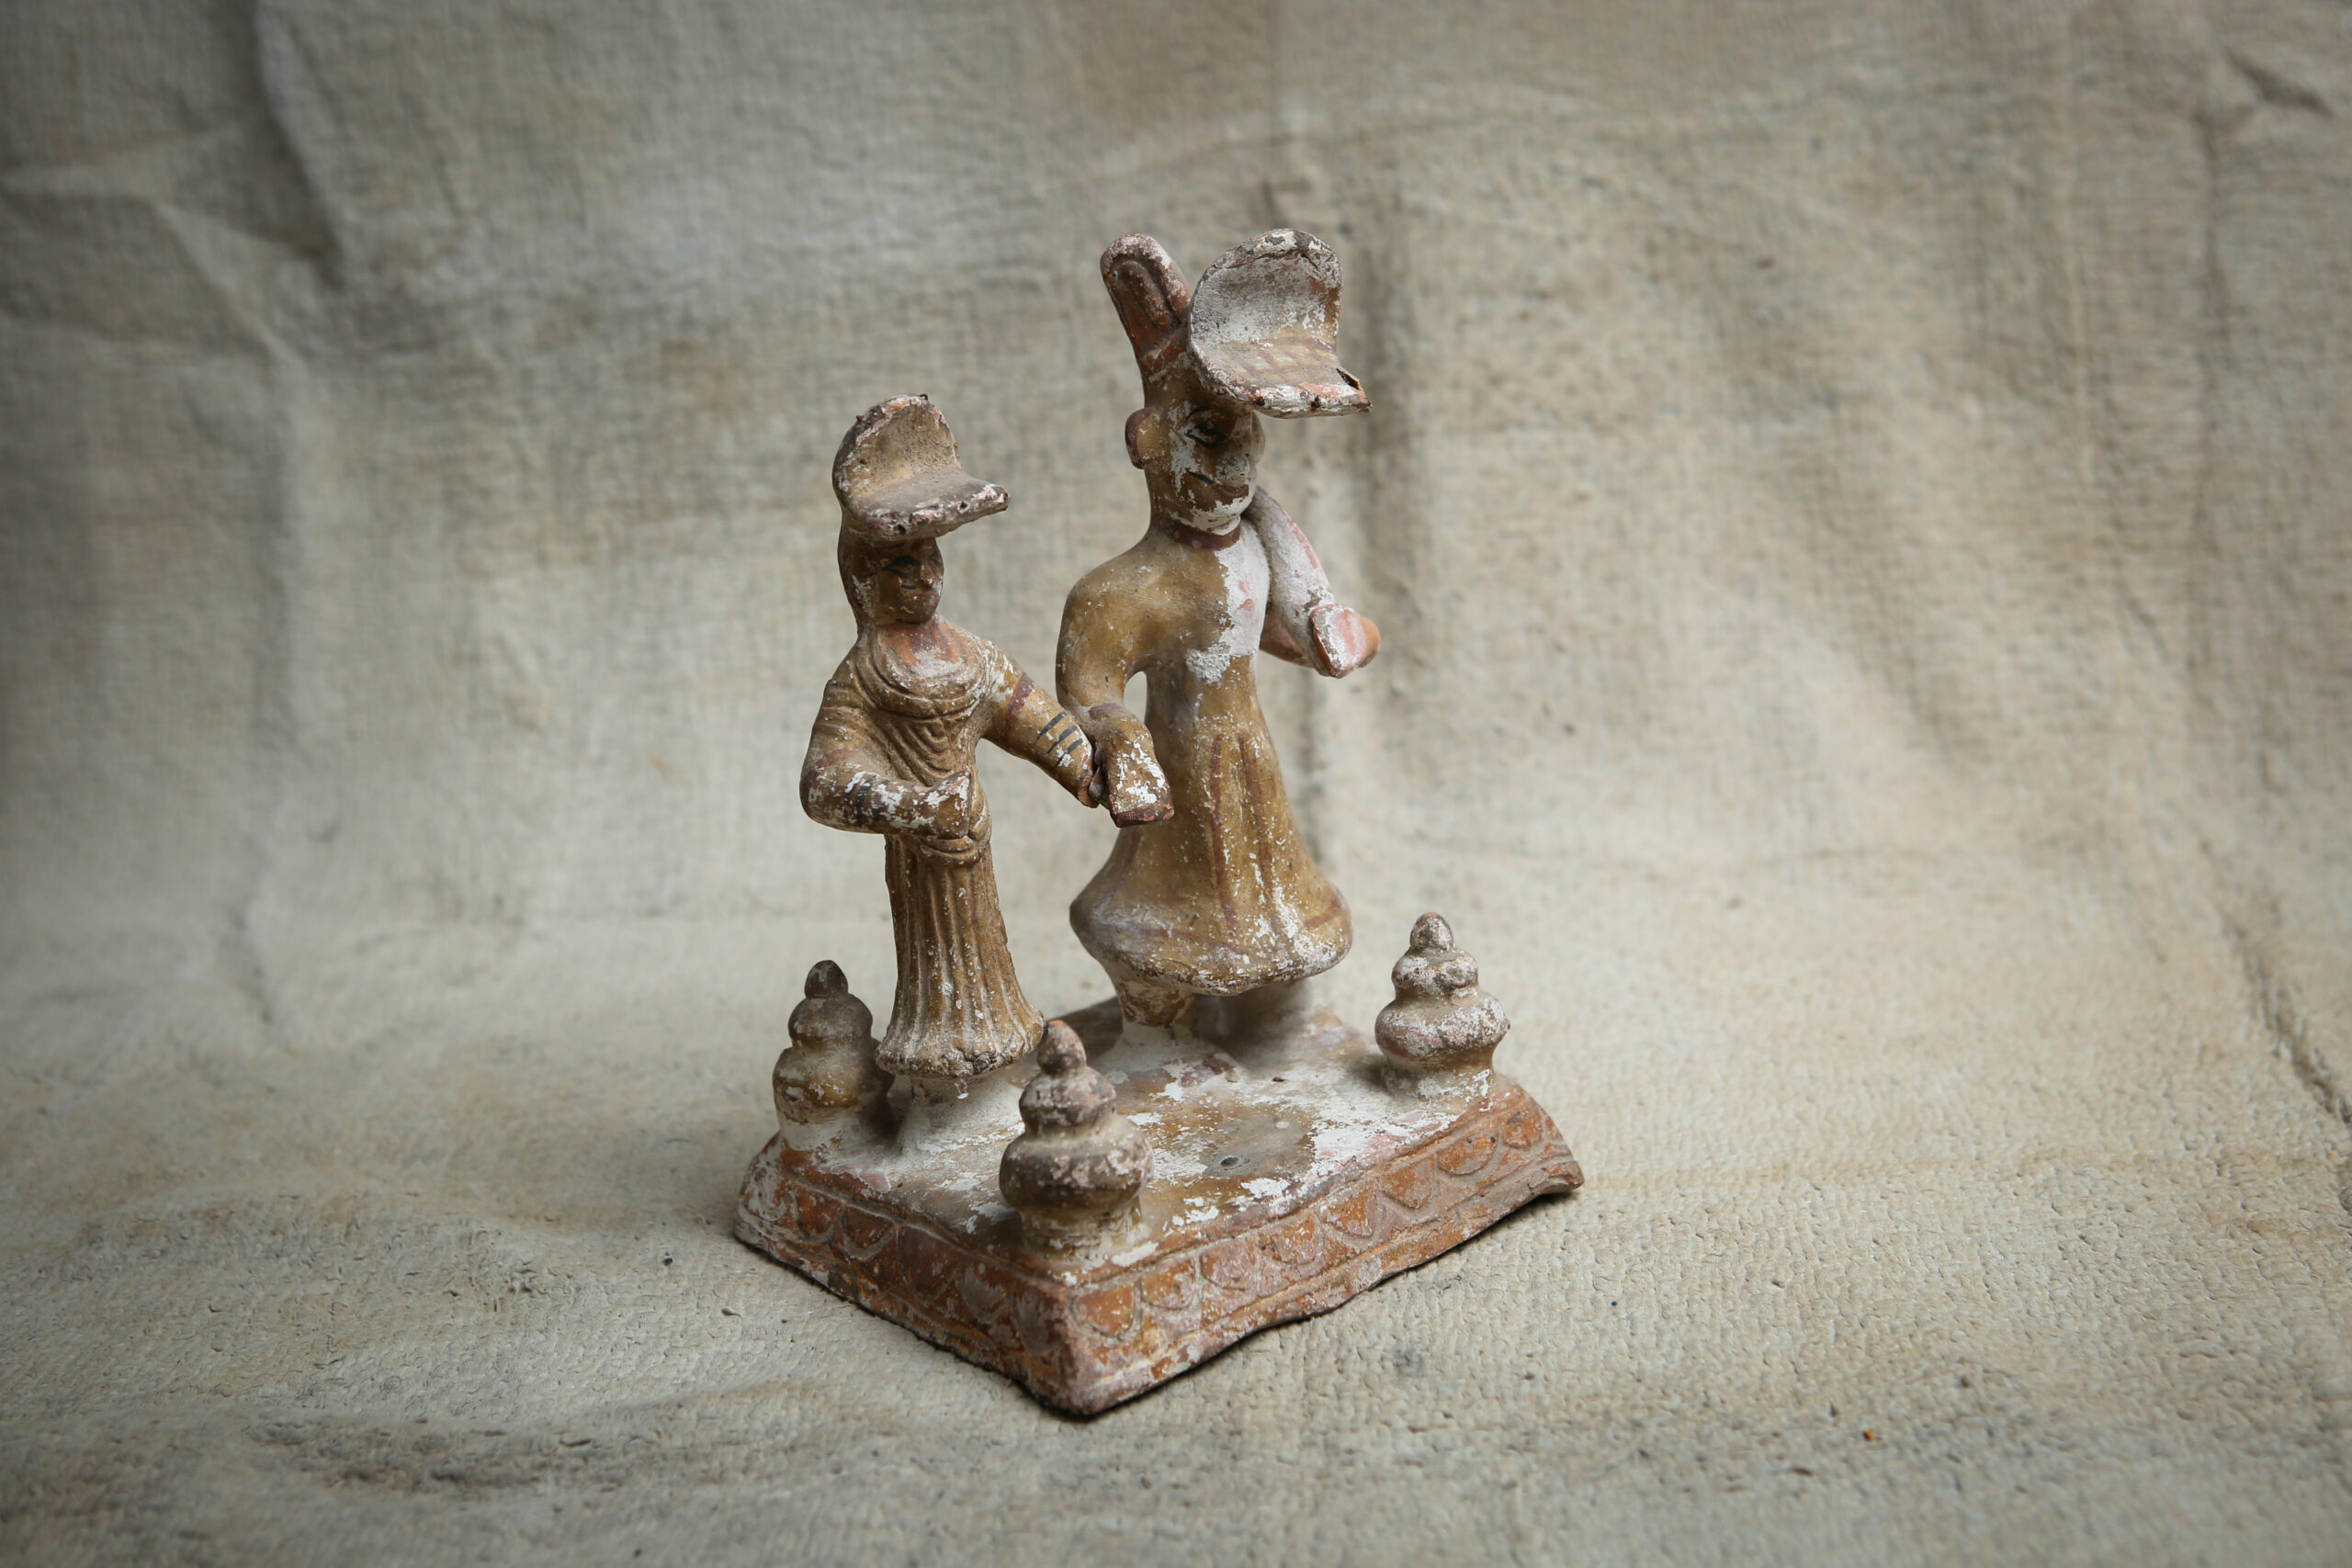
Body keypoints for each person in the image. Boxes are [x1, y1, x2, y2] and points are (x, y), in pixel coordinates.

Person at [1057, 231, 1380, 1046]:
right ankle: (1152, 1043)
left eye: (1248, 433)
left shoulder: (1258, 543)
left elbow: (1288, 622)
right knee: (1159, 913)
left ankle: (1273, 1028)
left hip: (1247, 759)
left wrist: (1330, 630)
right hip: (1178, 770)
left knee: (1274, 908)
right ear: (1146, 438)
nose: (1235, 461)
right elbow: (1088, 684)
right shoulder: (1119, 590)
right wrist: (1117, 734)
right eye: (1207, 432)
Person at [801, 395, 1099, 1087]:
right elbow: (824, 781)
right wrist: (912, 807)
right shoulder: (864, 676)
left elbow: (1032, 716)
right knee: (934, 974)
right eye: (902, 565)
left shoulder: (970, 656)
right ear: (864, 575)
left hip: (972, 842)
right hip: (921, 857)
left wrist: (1090, 772)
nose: (927, 576)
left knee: (987, 964)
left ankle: (996, 1057)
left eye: (931, 557)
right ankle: (941, 1079)